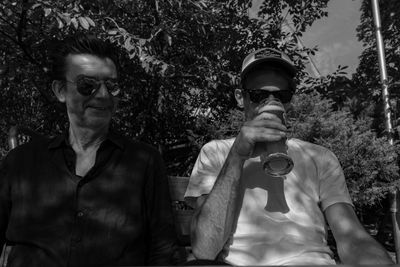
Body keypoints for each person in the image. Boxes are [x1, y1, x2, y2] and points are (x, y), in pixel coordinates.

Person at [184, 48, 394, 265]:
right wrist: (237, 155)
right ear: (240, 98)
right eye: (259, 95)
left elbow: (351, 237)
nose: (271, 103)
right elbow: (204, 249)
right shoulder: (216, 152)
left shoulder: (319, 157)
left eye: (282, 96)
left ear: (290, 101)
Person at [0, 34, 177, 266]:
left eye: (111, 86)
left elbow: (163, 251)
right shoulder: (21, 163)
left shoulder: (144, 161)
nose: (103, 95)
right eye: (87, 85)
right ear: (60, 91)